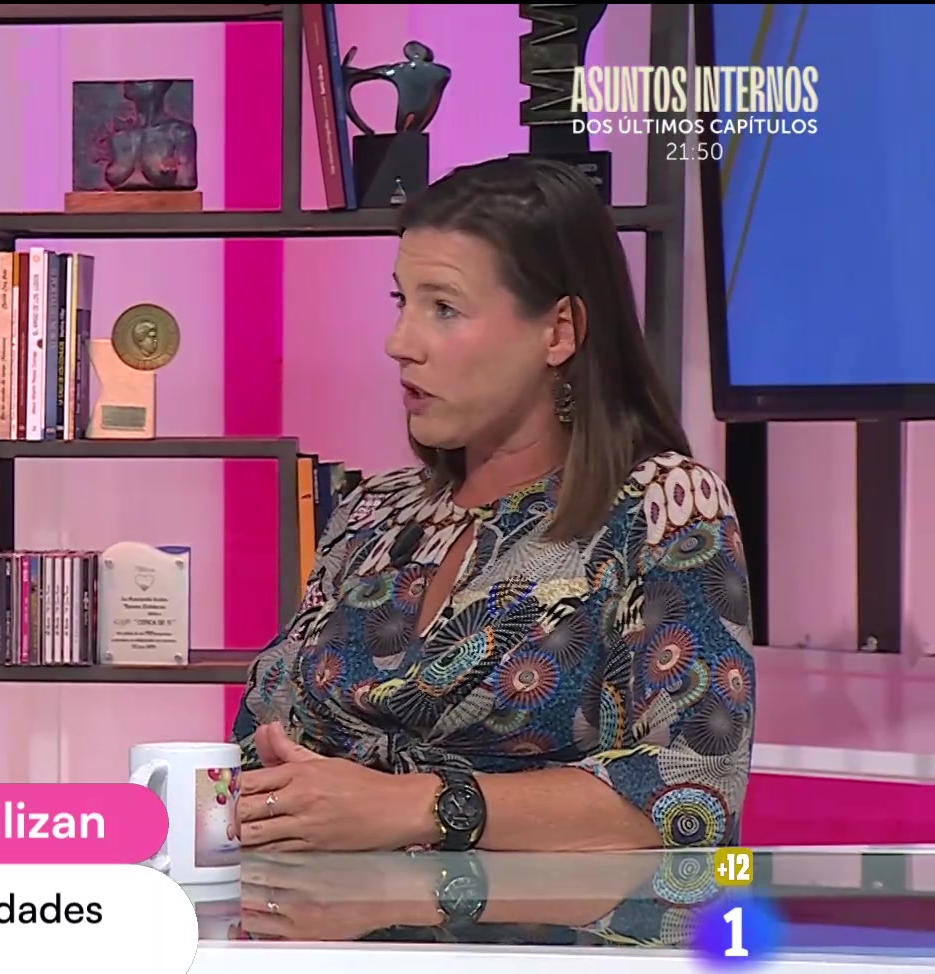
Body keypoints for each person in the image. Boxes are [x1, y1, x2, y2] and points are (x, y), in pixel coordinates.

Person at [234, 156, 756, 853]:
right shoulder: (372, 514)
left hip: (545, 923)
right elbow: (261, 741)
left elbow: (696, 791)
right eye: (401, 302)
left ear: (559, 332)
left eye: (444, 308)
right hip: (315, 913)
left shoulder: (661, 505)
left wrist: (419, 806)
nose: (399, 343)